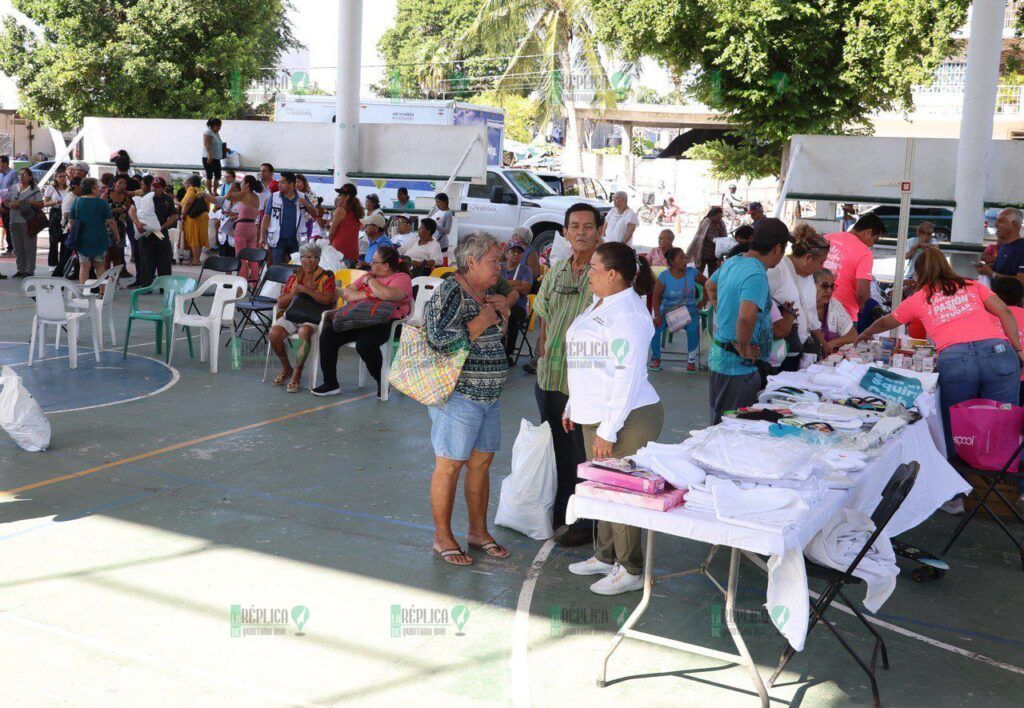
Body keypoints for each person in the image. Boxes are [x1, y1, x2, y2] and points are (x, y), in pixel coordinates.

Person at [859, 248, 1022, 462]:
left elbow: (886, 321)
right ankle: (1002, 483)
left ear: (919, 273)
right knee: (1004, 420)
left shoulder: (919, 298)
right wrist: (1018, 349)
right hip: (997, 352)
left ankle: (959, 481)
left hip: (955, 359)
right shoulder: (971, 285)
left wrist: (865, 334)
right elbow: (1005, 312)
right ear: (947, 266)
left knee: (958, 427)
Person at [564, 241, 662, 595]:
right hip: (599, 415)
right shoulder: (601, 303)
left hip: (628, 417)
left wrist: (607, 430)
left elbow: (627, 377)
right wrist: (574, 404)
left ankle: (631, 568)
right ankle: (605, 557)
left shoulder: (630, 315)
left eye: (593, 268)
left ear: (613, 274)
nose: (587, 273)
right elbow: (587, 361)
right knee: (601, 490)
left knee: (620, 493)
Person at [422, 231, 511, 566]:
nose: (499, 267)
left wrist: (500, 315)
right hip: (459, 396)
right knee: (450, 465)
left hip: (489, 396)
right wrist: (481, 321)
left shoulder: (483, 292)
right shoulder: (450, 290)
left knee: (482, 463)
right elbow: (436, 339)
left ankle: (477, 531)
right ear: (471, 262)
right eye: (493, 261)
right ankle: (442, 536)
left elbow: (490, 338)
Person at [532, 203, 602, 546]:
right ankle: (562, 514)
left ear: (599, 232)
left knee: (582, 454)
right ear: (564, 232)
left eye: (588, 227)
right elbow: (544, 314)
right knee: (558, 451)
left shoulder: (605, 273)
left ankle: (585, 522)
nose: (581, 232)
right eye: (574, 226)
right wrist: (543, 353)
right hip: (550, 378)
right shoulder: (557, 269)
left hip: (584, 383)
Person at [705, 218, 791, 424]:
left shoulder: (734, 261)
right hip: (737, 366)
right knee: (732, 427)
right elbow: (746, 315)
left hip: (722, 359)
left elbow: (710, 285)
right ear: (778, 248)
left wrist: (723, 311)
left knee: (720, 423)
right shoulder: (756, 274)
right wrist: (743, 347)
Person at [313, 245, 413, 398]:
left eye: (374, 261)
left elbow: (387, 295)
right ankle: (330, 383)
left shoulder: (402, 278)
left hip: (387, 322)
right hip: (360, 318)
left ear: (386, 266)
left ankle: (382, 381)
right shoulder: (369, 274)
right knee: (328, 334)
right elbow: (347, 294)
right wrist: (371, 294)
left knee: (365, 345)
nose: (370, 265)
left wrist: (370, 282)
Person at [267, 243, 337, 393]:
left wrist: (306, 290)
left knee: (305, 331)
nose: (308, 260)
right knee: (274, 334)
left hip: (314, 316)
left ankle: (297, 373)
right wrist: (296, 292)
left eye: (312, 257)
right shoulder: (295, 276)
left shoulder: (327, 276)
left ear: (318, 259)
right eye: (304, 257)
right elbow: (281, 302)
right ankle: (287, 368)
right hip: (293, 314)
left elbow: (328, 300)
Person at [767, 224, 831, 369]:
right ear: (808, 258)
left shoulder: (807, 274)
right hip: (777, 351)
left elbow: (811, 315)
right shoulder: (777, 270)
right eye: (821, 262)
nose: (822, 267)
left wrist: (823, 343)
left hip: (798, 349)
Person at [649, 247, 706, 372]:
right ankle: (656, 358)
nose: (685, 260)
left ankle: (691, 360)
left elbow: (708, 284)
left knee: (693, 329)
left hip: (689, 310)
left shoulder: (692, 272)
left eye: (685, 257)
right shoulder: (664, 276)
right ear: (672, 261)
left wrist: (703, 301)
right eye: (681, 258)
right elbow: (656, 298)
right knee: (654, 327)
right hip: (668, 311)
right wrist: (658, 315)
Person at [822, 212, 886, 321]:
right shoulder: (865, 253)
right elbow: (862, 293)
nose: (872, 245)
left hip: (818, 308)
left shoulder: (827, 238)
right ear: (868, 232)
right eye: (874, 240)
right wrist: (861, 307)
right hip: (844, 314)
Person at [259, 171, 319, 266]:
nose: (279, 185)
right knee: (277, 267)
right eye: (279, 182)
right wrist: (262, 237)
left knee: (296, 266)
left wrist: (307, 204)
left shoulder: (303, 196)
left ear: (291, 184)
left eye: (282, 182)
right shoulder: (274, 197)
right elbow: (266, 217)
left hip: (296, 240)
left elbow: (316, 213)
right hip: (278, 239)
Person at [68, 177, 118, 284]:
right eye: (98, 187)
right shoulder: (102, 203)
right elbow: (111, 222)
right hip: (99, 239)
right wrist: (116, 234)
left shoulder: (77, 202)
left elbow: (71, 222)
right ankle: (102, 292)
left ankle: (84, 292)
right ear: (93, 188)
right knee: (100, 266)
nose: (100, 190)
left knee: (84, 266)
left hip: (82, 240)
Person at [130, 176, 178, 286]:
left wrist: (162, 226)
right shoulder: (145, 197)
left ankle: (164, 285)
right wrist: (137, 223)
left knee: (164, 258)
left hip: (160, 232)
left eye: (157, 187)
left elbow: (174, 215)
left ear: (163, 188)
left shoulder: (167, 199)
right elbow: (131, 211)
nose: (154, 189)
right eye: (153, 186)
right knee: (146, 259)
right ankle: (146, 284)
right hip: (146, 233)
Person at [3, 168, 44, 277]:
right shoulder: (14, 188)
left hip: (28, 221)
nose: (21, 176)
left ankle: (29, 270)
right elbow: (6, 201)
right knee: (17, 246)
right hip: (13, 220)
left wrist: (28, 202)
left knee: (29, 246)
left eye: (24, 174)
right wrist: (10, 204)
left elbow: (41, 204)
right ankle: (20, 269)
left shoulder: (34, 189)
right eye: (20, 174)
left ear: (30, 177)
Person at [223, 175, 263, 283]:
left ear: (247, 184)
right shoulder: (256, 197)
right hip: (252, 227)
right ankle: (254, 284)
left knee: (241, 257)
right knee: (252, 258)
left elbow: (228, 196)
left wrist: (232, 186)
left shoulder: (245, 193)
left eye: (242, 182)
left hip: (242, 227)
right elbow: (248, 213)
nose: (240, 184)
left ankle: (242, 283)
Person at [499, 243, 533, 362]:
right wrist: (515, 283)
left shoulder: (525, 269)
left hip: (519, 305)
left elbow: (525, 289)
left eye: (519, 252)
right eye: (513, 251)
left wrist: (503, 285)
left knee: (511, 316)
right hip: (499, 302)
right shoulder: (499, 267)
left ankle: (508, 352)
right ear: (506, 254)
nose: (516, 254)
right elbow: (492, 285)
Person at [975, 207, 1024, 286]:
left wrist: (991, 273)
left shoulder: (1021, 248)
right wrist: (989, 268)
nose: (995, 224)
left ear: (1014, 224)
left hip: (1010, 298)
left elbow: (1021, 281)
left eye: (1001, 221)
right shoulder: (1004, 246)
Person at [814, 269, 857, 349]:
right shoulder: (801, 305)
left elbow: (853, 336)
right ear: (811, 285)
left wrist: (829, 345)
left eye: (832, 286)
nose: (829, 291)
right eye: (825, 286)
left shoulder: (835, 305)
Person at [179, 175, 217, 266]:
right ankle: (197, 259)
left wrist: (182, 214)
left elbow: (185, 203)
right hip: (203, 216)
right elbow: (208, 207)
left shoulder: (191, 190)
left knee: (194, 238)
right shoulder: (202, 192)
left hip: (194, 218)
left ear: (190, 183)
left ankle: (195, 260)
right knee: (199, 238)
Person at [686, 206, 727, 276]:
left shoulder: (720, 222)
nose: (719, 219)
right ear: (712, 215)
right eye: (718, 217)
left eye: (720, 217)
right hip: (703, 253)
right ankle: (697, 286)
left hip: (714, 254)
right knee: (698, 273)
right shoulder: (706, 222)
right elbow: (711, 237)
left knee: (713, 274)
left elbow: (724, 234)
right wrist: (720, 240)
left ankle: (709, 286)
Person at [43, 170, 69, 268]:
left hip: (66, 214)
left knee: (65, 240)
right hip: (56, 214)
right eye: (60, 176)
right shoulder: (51, 188)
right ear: (56, 178)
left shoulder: (69, 189)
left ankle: (63, 264)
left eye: (64, 176)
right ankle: (53, 263)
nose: (62, 178)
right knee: (53, 239)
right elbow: (44, 203)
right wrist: (55, 202)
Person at [0, 155, 18, 257]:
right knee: (6, 226)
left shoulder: (13, 173)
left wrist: (4, 193)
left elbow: (16, 188)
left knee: (11, 226)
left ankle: (12, 248)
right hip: (2, 203)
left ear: (5, 163)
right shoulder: (0, 175)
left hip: (10, 204)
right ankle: (10, 247)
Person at [202, 118, 224, 194]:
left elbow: (218, 144)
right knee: (209, 175)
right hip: (209, 158)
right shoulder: (208, 132)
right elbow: (206, 145)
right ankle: (210, 192)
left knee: (218, 175)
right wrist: (209, 155)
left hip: (216, 158)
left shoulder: (215, 133)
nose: (220, 128)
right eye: (219, 126)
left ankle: (215, 191)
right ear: (214, 126)